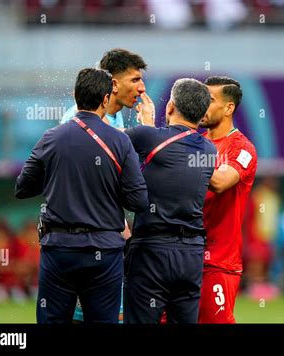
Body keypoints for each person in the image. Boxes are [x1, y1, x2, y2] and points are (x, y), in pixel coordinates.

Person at [15, 68, 148, 323]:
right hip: (105, 252)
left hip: (60, 250)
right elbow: (139, 201)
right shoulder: (121, 142)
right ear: (106, 99)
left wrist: (58, 178)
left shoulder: (51, 137)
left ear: (75, 95)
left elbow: (22, 187)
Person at [123, 78, 216, 324]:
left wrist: (146, 125)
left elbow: (106, 142)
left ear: (171, 106)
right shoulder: (209, 150)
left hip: (152, 250)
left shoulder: (147, 136)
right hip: (191, 254)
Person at [197, 76, 258, 323]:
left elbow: (221, 182)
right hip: (182, 257)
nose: (201, 105)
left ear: (228, 107)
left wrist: (183, 155)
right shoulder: (194, 142)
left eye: (209, 100)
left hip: (219, 262)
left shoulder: (242, 149)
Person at [60, 48, 154, 128]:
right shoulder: (81, 116)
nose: (142, 88)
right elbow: (112, 137)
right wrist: (147, 126)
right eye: (135, 80)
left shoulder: (115, 114)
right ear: (114, 85)